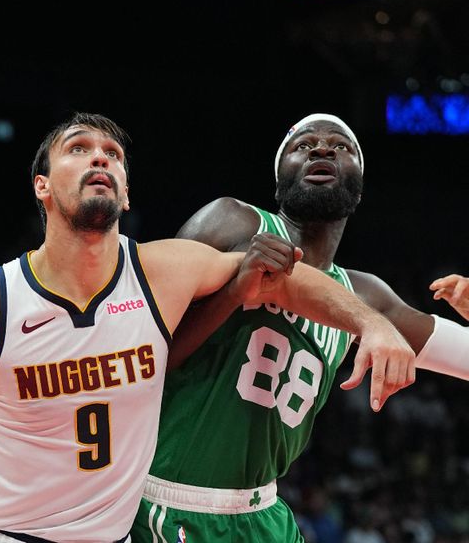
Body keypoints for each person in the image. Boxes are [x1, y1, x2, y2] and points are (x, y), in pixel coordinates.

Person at [0, 113, 413, 543]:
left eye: (113, 154)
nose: (100, 158)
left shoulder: (159, 274)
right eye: (79, 149)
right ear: (42, 185)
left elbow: (284, 278)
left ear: (124, 189)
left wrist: (373, 323)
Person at [131, 113, 469, 543]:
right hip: (171, 500)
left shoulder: (366, 294)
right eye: (303, 145)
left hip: (264, 512)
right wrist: (233, 293)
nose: (323, 149)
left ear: (359, 190)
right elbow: (143, 356)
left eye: (342, 147)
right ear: (279, 181)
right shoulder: (232, 222)